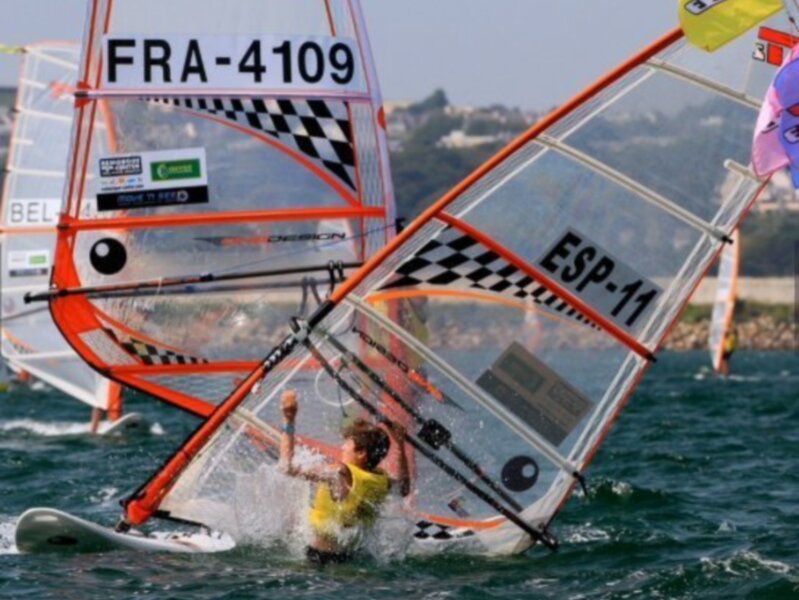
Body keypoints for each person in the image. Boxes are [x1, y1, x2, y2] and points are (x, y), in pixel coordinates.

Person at [279, 389, 411, 565]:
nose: (342, 447)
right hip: (353, 559)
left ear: (361, 453)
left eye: (347, 443)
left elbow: (286, 468)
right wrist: (400, 445)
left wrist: (289, 420)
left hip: (318, 560)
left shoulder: (339, 473)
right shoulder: (381, 481)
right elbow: (404, 488)